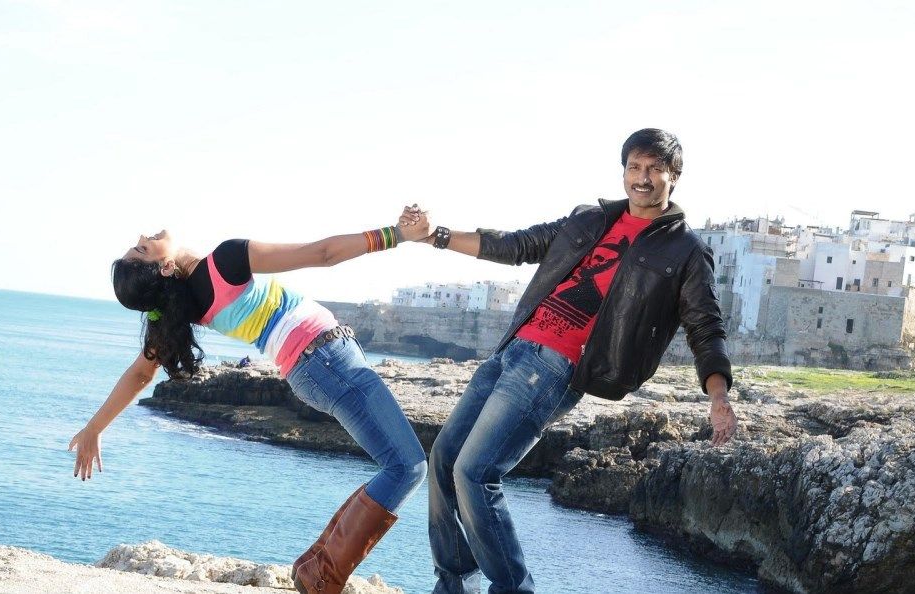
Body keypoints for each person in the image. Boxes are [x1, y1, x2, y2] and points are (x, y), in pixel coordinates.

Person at [401, 129, 738, 593]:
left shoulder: (686, 251)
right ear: (623, 171)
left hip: (555, 367)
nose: (642, 178)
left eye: (654, 169)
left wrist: (718, 395)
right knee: (444, 459)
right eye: (634, 167)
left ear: (673, 176)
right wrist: (433, 236)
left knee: (475, 473)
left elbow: (706, 326)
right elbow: (516, 245)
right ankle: (454, 582)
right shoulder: (588, 218)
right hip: (512, 349)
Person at [68, 211, 432, 594]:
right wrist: (397, 234)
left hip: (316, 369)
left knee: (408, 464)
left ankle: (315, 566)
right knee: (407, 467)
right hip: (326, 361)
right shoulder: (225, 261)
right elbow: (322, 253)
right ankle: (322, 577)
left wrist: (95, 428)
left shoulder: (190, 302)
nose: (145, 235)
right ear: (166, 267)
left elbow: (140, 374)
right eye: (142, 248)